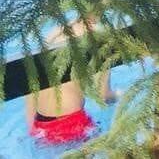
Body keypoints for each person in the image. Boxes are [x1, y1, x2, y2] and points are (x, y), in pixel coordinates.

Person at [25, 17, 115, 147]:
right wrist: (120, 95)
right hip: (75, 125)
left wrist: (32, 128)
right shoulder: (98, 39)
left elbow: (31, 85)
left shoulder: (56, 32)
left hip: (41, 125)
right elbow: (104, 96)